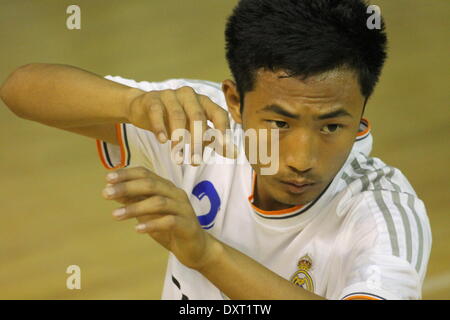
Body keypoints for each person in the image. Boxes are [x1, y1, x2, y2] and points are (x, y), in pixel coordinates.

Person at [0, 0, 431, 300]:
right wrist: (132, 105)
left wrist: (206, 254)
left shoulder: (384, 214)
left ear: (362, 113)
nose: (302, 158)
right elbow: (21, 90)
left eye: (332, 125)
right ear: (235, 102)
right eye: (279, 123)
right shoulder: (198, 124)